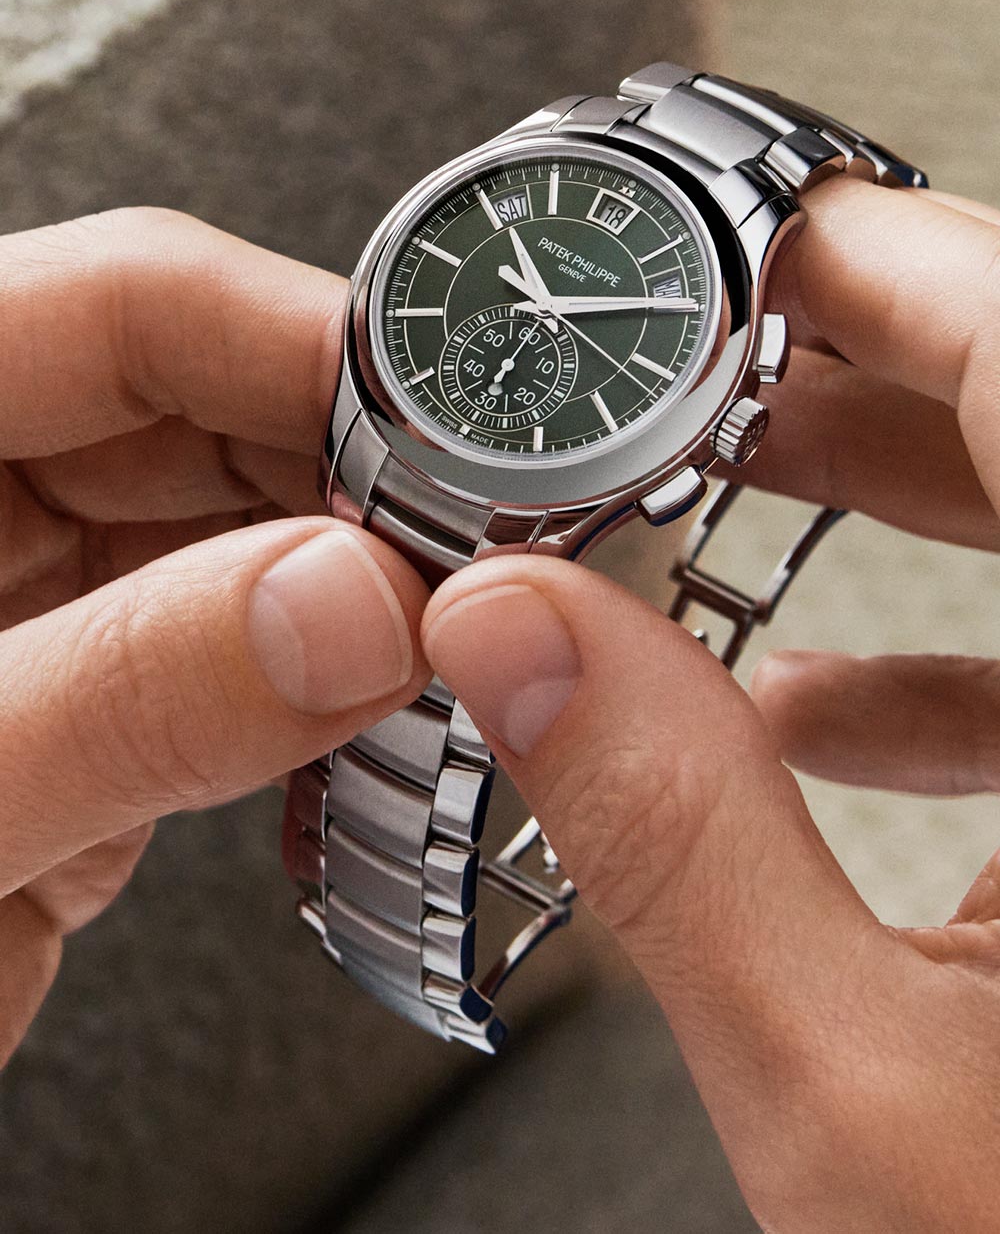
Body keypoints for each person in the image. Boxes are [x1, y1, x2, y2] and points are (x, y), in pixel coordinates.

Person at [2, 175, 998, 1231]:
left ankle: (397, 935)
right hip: (402, 439)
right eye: (535, 294)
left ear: (722, 420)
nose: (545, 310)